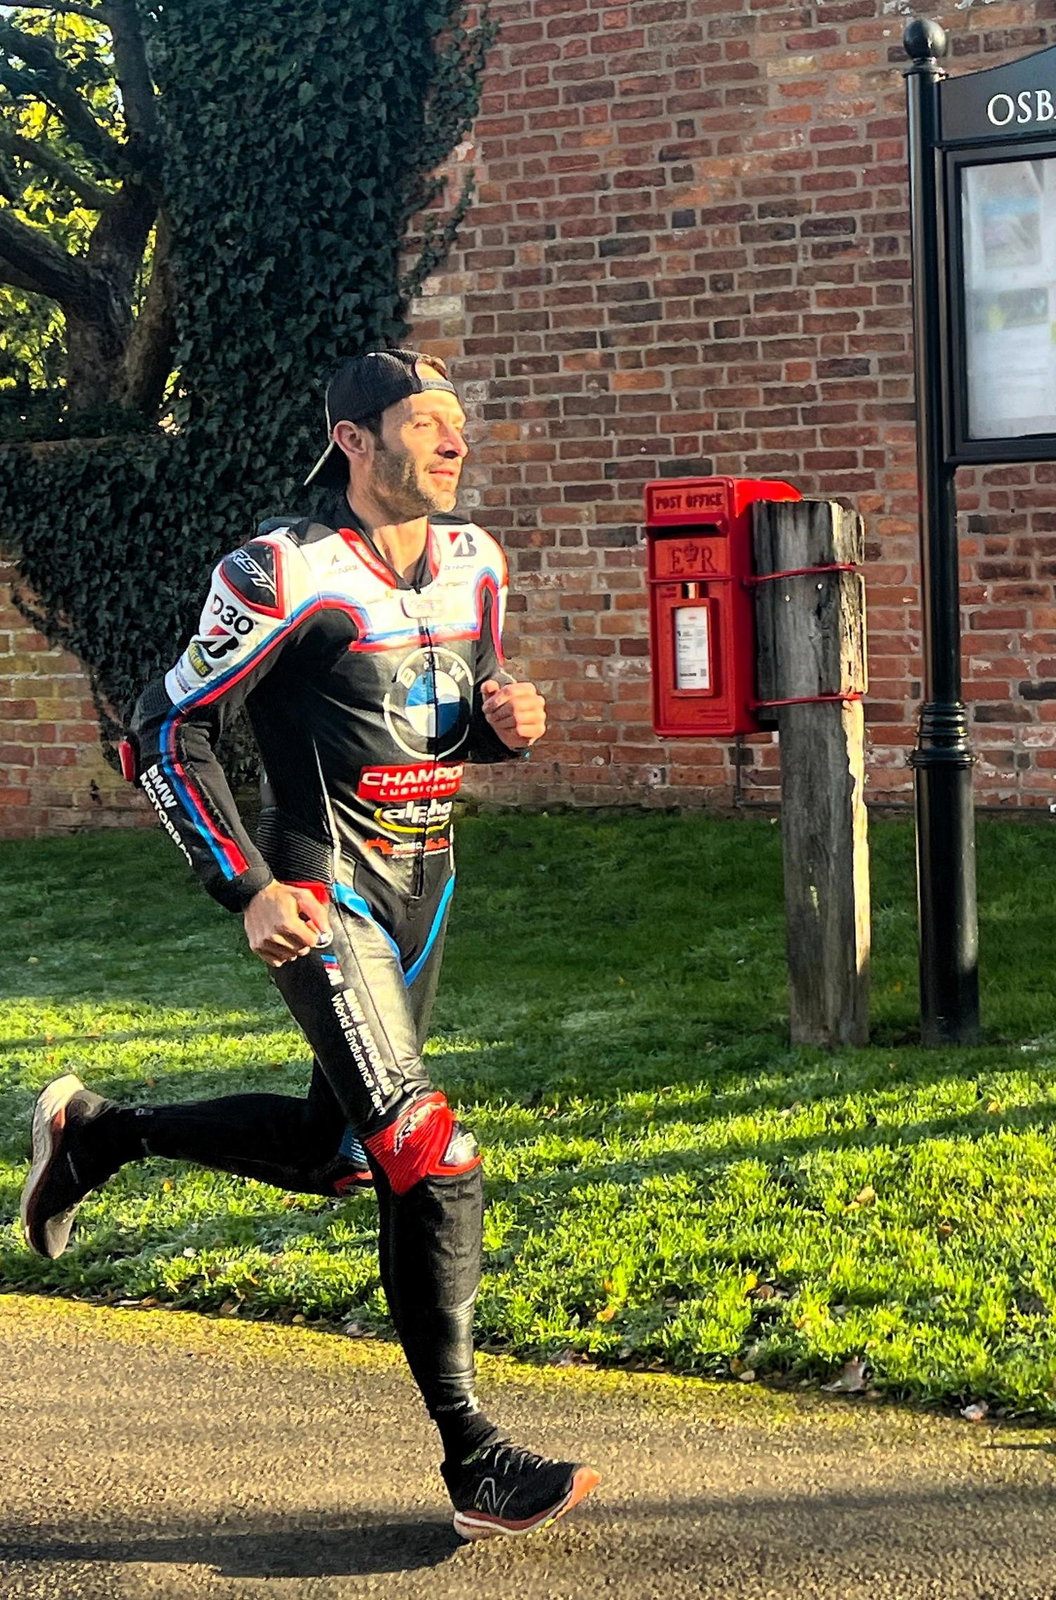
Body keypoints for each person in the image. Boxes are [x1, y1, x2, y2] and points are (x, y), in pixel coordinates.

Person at [19, 348, 599, 1542]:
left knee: (344, 1151)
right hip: (324, 893)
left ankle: (95, 1133)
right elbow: (162, 728)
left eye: (457, 425)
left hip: (426, 893)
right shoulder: (283, 570)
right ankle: (475, 1456)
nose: (454, 443)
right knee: (431, 1157)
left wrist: (505, 725)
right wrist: (245, 885)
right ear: (353, 438)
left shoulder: (477, 565)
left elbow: (449, 716)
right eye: (425, 424)